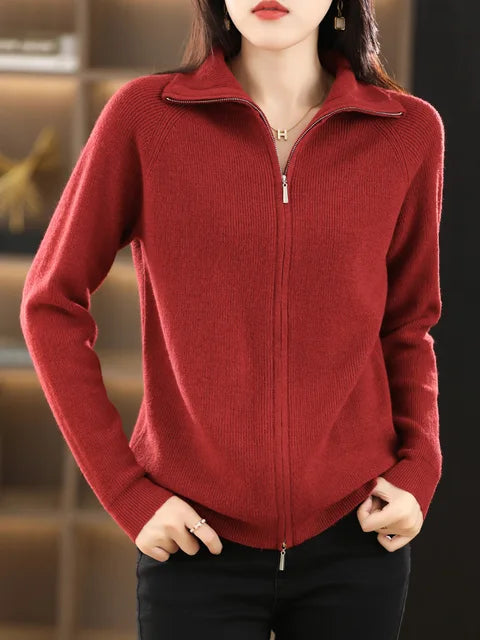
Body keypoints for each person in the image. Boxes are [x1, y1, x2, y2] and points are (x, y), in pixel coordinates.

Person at [20, 0, 445, 638]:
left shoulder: (406, 131)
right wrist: (128, 493)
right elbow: (50, 303)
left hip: (357, 536)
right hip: (195, 539)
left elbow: (408, 325)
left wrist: (418, 470)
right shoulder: (146, 117)